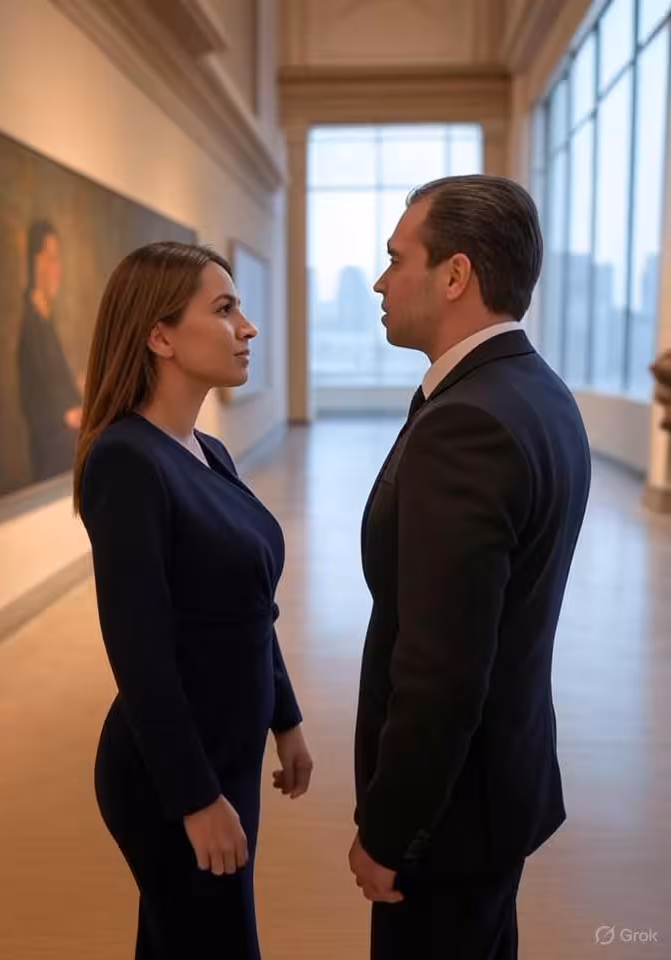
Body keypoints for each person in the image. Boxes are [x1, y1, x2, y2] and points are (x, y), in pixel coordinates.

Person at [349, 175, 591, 959]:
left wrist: (389, 830)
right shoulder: (539, 393)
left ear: (455, 275)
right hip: (497, 788)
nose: (381, 282)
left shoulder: (468, 422)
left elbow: (442, 670)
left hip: (449, 821)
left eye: (396, 258)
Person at [73, 241, 313, 959]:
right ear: (160, 335)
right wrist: (193, 798)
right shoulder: (127, 461)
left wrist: (286, 717)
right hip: (171, 772)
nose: (248, 327)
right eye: (225, 308)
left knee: (182, 941)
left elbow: (248, 607)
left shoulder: (208, 451)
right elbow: (137, 648)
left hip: (229, 754)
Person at [17, 220, 84, 482]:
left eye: (58, 260)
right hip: (52, 464)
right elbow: (41, 409)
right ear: (35, 264)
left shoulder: (45, 326)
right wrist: (72, 416)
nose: (58, 270)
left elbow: (56, 388)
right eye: (51, 258)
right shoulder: (32, 331)